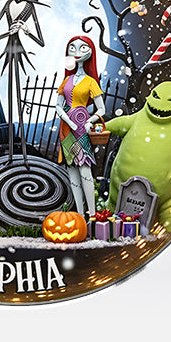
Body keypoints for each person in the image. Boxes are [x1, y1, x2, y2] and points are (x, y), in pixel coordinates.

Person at [56, 34, 105, 216]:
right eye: (72, 48)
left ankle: (91, 214)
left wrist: (89, 121)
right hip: (66, 129)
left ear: (91, 52)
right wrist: (69, 121)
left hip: (82, 128)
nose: (76, 52)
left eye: (83, 48)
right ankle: (79, 214)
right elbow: (58, 106)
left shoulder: (91, 82)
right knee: (72, 172)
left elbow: (101, 109)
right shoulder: (66, 81)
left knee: (85, 170)